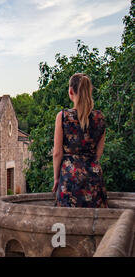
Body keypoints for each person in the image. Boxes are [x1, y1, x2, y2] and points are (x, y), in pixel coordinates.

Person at [52, 73, 108, 208]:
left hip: (70, 177)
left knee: (68, 223)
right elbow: (99, 153)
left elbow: (57, 153)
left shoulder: (63, 116)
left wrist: (56, 178)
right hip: (94, 178)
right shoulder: (100, 118)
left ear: (71, 91)